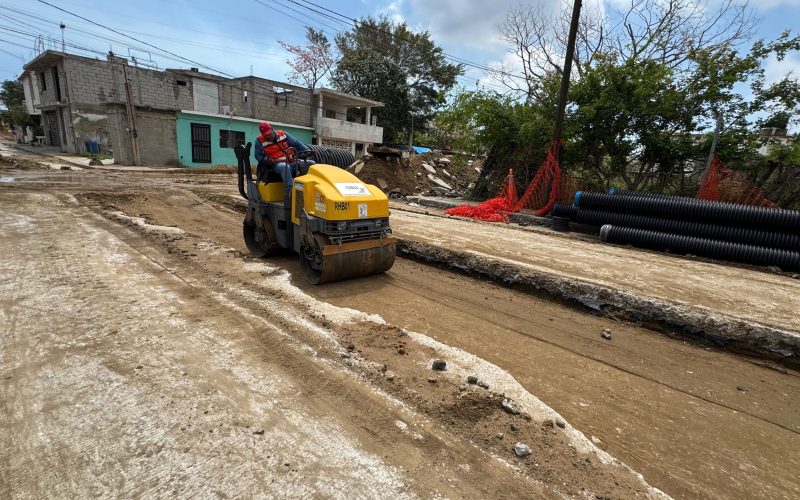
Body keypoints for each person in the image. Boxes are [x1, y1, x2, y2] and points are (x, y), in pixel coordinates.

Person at [254, 121, 315, 206]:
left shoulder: (283, 134)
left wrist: (307, 150)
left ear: (272, 129)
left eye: (269, 134)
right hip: (277, 165)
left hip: (292, 161)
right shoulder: (259, 141)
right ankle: (290, 192)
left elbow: (296, 143)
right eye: (265, 135)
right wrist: (267, 160)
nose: (268, 137)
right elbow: (258, 156)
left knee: (311, 163)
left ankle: (311, 190)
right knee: (284, 167)